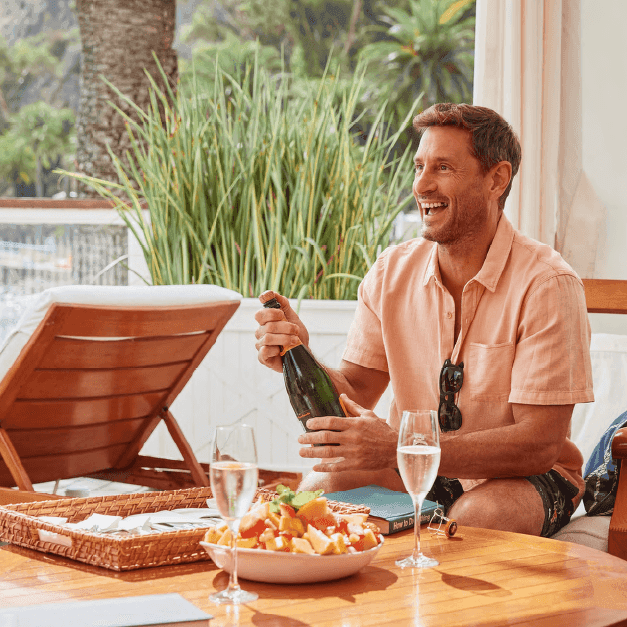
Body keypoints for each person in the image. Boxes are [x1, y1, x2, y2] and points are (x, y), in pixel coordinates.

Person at [254, 103, 594, 537]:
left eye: (443, 167)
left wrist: (402, 447)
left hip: (529, 478)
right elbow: (357, 390)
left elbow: (539, 445)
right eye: (419, 167)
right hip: (418, 467)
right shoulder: (390, 272)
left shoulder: (549, 284)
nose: (422, 185)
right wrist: (297, 353)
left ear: (497, 179)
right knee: (318, 495)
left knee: (476, 518)